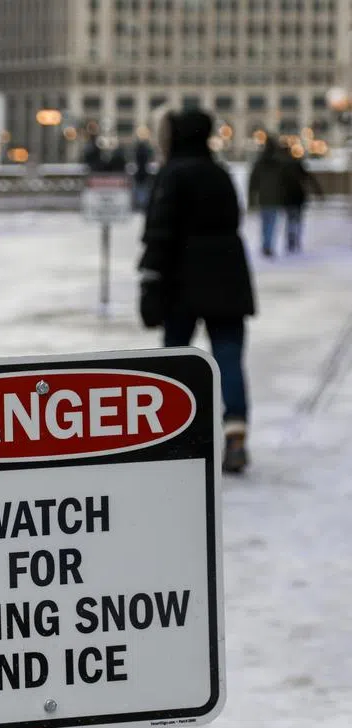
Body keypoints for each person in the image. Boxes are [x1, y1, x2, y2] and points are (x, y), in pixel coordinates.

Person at [138, 108, 256, 474]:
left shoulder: (172, 174)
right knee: (229, 355)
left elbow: (160, 231)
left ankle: (174, 435)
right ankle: (235, 430)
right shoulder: (219, 172)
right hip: (227, 274)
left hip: (182, 278)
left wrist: (151, 278)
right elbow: (234, 219)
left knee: (176, 360)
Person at [248, 140, 288, 258]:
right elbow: (283, 182)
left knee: (265, 222)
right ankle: (268, 245)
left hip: (264, 197)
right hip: (275, 197)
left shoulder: (260, 163)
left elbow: (253, 183)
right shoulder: (279, 163)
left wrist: (251, 200)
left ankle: (266, 244)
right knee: (272, 223)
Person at [281, 149, 324, 254]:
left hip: (289, 199)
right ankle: (296, 239)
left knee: (291, 220)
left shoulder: (285, 170)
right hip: (298, 198)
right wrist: (319, 193)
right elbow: (311, 180)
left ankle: (291, 240)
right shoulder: (299, 168)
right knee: (297, 221)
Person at [133, 139, 154, 210]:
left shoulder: (138, 154)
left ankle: (139, 204)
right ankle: (142, 204)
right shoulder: (145, 154)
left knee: (140, 191)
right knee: (143, 191)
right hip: (144, 174)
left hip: (139, 174)